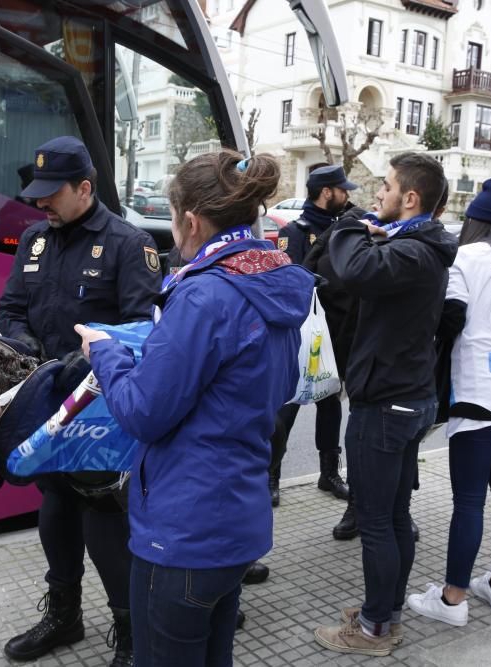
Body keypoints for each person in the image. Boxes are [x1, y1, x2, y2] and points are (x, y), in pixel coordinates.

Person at [76, 150, 313, 666]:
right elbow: (279, 384)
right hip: (238, 517)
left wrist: (107, 353)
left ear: (190, 220)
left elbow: (142, 412)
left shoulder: (205, 293)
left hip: (183, 526)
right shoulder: (274, 279)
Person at [0, 136, 160, 665]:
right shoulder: (35, 241)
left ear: (85, 188)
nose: (41, 204)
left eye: (52, 193)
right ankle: (64, 616)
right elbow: (12, 306)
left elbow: (143, 330)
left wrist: (89, 363)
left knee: (103, 518)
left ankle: (132, 632)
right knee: (56, 508)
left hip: (98, 409)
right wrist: (20, 344)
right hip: (45, 398)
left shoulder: (128, 243)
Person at [313, 152, 457, 656]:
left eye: (387, 186)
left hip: (388, 403)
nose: (377, 194)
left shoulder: (415, 253)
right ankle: (385, 611)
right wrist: (376, 230)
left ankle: (374, 629)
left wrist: (350, 222)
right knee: (394, 515)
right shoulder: (417, 246)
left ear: (410, 198)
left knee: (377, 519)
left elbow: (353, 268)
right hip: (402, 396)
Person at [405, 179, 491, 626]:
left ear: (473, 220)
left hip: (482, 392)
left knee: (468, 500)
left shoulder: (466, 257)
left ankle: (452, 600)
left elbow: (451, 317)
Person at [270, 164, 365, 505]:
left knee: (330, 402)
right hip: (304, 334)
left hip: (335, 333)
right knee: (289, 404)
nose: (347, 195)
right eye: (343, 190)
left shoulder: (348, 228)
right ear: (327, 192)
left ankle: (328, 473)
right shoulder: (298, 230)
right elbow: (288, 278)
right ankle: (272, 476)